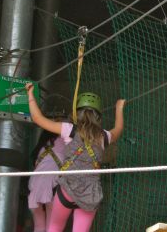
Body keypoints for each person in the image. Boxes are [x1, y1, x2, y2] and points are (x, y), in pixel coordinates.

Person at [26, 84, 125, 232]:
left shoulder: (68, 129)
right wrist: (119, 108)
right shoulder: (105, 136)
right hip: (90, 193)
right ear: (98, 115)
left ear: (77, 113)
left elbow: (37, 118)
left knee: (54, 228)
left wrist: (30, 95)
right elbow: (118, 129)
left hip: (67, 189)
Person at [28, 128, 66, 232]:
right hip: (53, 186)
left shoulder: (40, 147)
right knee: (52, 227)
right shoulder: (63, 142)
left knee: (39, 226)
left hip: (33, 186)